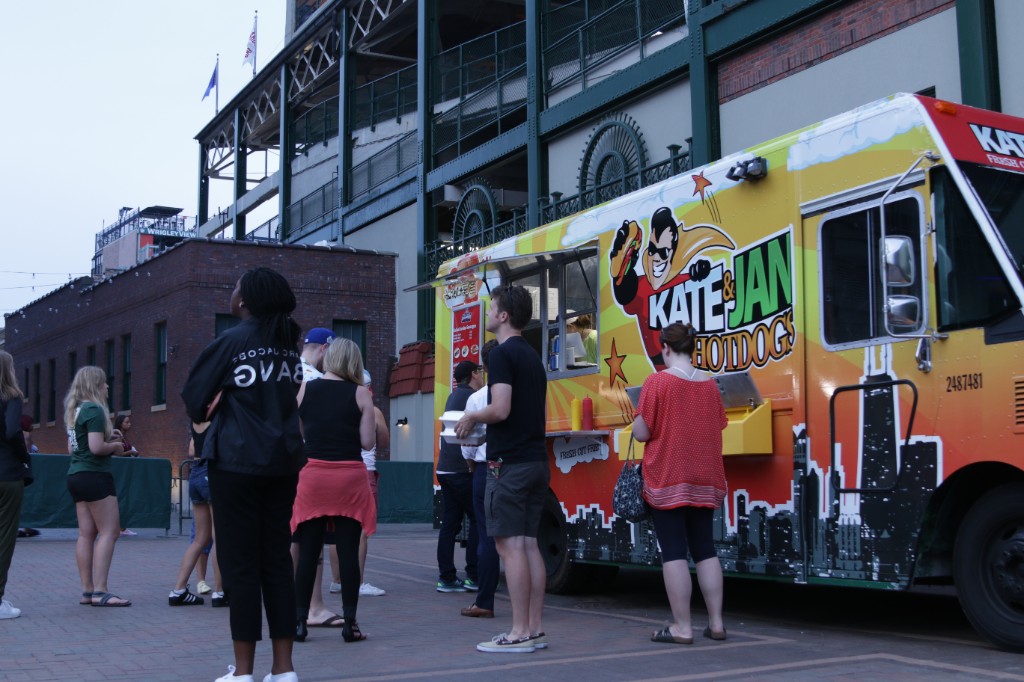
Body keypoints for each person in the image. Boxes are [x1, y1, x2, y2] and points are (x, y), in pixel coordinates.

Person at [181, 266, 305, 682]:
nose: (230, 293)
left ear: (246, 301)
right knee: (276, 561)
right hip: (284, 464)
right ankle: (284, 670)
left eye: (235, 288)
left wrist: (209, 411)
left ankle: (245, 672)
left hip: (235, 463)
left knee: (240, 566)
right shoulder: (290, 345)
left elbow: (193, 397)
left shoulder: (232, 341)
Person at [455, 284, 549, 653]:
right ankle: (535, 629)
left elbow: (501, 409)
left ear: (504, 315)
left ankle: (519, 632)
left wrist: (472, 415)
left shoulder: (504, 355)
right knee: (528, 545)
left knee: (509, 547)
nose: (488, 313)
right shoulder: (532, 355)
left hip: (508, 464)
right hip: (536, 461)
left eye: (492, 308)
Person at [631, 321, 728, 645]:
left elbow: (643, 433)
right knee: (705, 549)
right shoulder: (710, 384)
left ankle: (682, 627)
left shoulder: (657, 382)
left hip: (669, 476)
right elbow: (719, 424)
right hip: (706, 476)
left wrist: (636, 419)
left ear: (666, 348)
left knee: (673, 551)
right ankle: (716, 623)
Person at [292, 338, 376, 645]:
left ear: (329, 357)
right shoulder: (361, 394)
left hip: (313, 476)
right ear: (353, 361)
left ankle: (299, 622)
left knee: (307, 552)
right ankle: (350, 624)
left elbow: (300, 433)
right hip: (349, 479)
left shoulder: (306, 390)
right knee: (348, 552)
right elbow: (367, 442)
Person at [64, 366, 131, 608]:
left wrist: (106, 438)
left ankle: (87, 591)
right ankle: (101, 591)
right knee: (110, 532)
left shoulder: (76, 410)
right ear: (95, 385)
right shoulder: (93, 408)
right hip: (95, 476)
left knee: (85, 534)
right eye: (104, 383)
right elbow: (95, 448)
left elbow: (74, 449)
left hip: (76, 475)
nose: (108, 386)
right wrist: (114, 447)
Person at [291, 327, 344, 629]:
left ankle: (296, 603)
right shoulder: (313, 379)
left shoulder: (289, 369)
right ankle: (313, 607)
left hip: (284, 463)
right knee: (310, 540)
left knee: (295, 537)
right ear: (325, 348)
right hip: (309, 465)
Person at [460, 340, 500, 619]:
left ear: (483, 368)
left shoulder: (476, 399)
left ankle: (485, 599)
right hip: (519, 466)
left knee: (487, 536)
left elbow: (467, 444)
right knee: (522, 539)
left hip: (487, 468)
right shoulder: (521, 391)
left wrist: (472, 465)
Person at [436, 360, 482, 594]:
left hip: (444, 469)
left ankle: (446, 578)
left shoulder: (453, 396)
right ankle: (473, 576)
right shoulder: (472, 398)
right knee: (476, 519)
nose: (483, 376)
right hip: (460, 470)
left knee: (450, 524)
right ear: (474, 374)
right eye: (480, 371)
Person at [169, 422, 226, 608]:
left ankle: (178, 590)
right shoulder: (219, 414)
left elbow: (193, 448)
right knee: (219, 538)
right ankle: (220, 592)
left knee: (199, 539)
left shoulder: (197, 415)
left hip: (196, 471)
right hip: (212, 471)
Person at [0, 351, 31, 619]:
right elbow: (12, 431)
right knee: (4, 538)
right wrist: (24, 458)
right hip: (7, 474)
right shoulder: (11, 396)